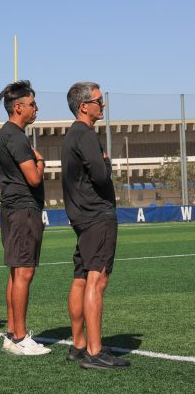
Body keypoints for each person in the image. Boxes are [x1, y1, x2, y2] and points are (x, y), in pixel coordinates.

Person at [62, 82, 130, 369]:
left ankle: (79, 345)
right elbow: (102, 176)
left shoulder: (71, 136)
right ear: (84, 106)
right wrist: (106, 162)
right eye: (99, 101)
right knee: (97, 279)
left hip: (81, 217)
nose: (103, 105)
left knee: (81, 278)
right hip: (97, 215)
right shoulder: (86, 135)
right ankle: (94, 351)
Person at [0, 80, 51, 356]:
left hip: (14, 209)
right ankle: (19, 337)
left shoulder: (8, 134)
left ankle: (12, 333)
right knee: (24, 271)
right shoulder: (15, 136)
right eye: (31, 104)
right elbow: (33, 176)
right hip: (22, 210)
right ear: (18, 107)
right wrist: (40, 162)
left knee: (17, 271)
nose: (36, 108)